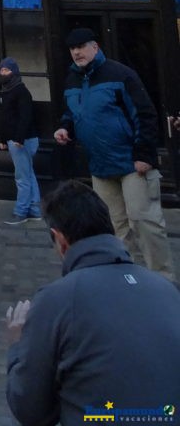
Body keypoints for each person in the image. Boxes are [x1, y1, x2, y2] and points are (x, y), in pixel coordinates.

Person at [5, 180, 180, 425]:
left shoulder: (58, 299)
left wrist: (17, 345)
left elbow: (30, 410)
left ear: (60, 240)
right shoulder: (167, 290)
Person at [53, 27, 174, 280]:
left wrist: (144, 155)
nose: (76, 52)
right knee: (113, 228)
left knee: (144, 222)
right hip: (100, 166)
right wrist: (65, 129)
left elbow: (144, 114)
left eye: (82, 47)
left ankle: (163, 281)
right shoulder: (72, 80)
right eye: (72, 49)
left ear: (95, 47)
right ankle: (122, 278)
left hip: (131, 163)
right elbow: (73, 114)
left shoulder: (120, 74)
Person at [0, 57, 42, 225]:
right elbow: (4, 118)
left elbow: (25, 116)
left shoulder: (21, 92)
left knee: (22, 177)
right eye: (1, 70)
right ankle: (35, 210)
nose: (3, 73)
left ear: (14, 72)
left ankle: (21, 211)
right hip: (15, 139)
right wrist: (2, 138)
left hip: (22, 140)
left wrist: (19, 138)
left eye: (6, 70)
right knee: (28, 174)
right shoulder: (7, 91)